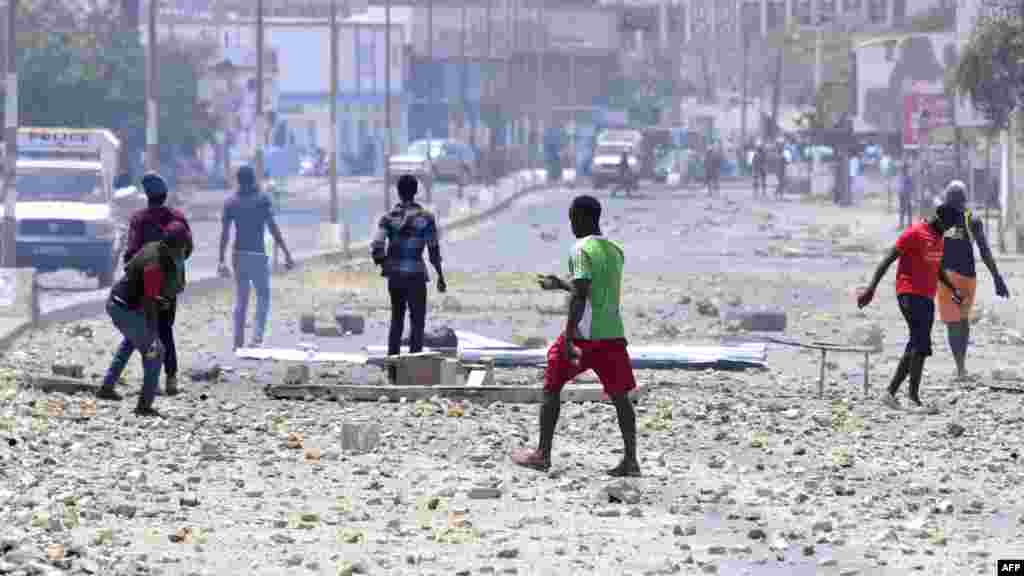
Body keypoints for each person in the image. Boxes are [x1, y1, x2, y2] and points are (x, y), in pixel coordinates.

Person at [512, 195, 640, 477]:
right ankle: (631, 460)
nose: (571, 224)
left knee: (552, 386)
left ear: (582, 217)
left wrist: (569, 339)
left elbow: (582, 295)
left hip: (584, 336)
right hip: (613, 334)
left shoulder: (580, 249)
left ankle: (542, 454)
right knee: (621, 397)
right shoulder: (615, 250)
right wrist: (561, 284)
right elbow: (593, 288)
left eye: (572, 218)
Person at [857, 202, 964, 412]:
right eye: (949, 224)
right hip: (909, 293)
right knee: (920, 343)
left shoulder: (939, 238)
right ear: (940, 219)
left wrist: (953, 289)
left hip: (926, 296)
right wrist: (871, 289)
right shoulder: (915, 233)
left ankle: (895, 394)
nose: (950, 229)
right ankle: (909, 397)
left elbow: (937, 268)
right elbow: (888, 259)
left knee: (917, 344)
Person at [97, 173, 194, 400]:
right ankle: (164, 383)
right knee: (161, 332)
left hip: (141, 287)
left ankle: (126, 384)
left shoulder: (139, 220)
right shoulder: (177, 219)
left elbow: (130, 254)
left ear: (147, 197)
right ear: (165, 195)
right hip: (162, 286)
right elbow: (188, 249)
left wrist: (135, 271)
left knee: (140, 334)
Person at [371, 175, 447, 383]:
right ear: (415, 191)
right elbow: (433, 250)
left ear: (398, 192)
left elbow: (377, 245)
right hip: (416, 275)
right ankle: (413, 369)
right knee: (417, 322)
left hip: (395, 276)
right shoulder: (426, 218)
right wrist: (440, 275)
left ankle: (393, 371)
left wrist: (384, 263)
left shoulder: (387, 218)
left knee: (396, 319)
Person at [938, 180, 1010, 380]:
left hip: (948, 279)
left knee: (953, 323)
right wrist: (997, 278)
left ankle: (960, 368)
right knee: (962, 320)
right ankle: (962, 368)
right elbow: (985, 251)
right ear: (965, 199)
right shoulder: (973, 220)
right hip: (968, 279)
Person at [218, 165, 295, 350]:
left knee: (241, 298)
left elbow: (225, 234)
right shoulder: (262, 199)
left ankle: (238, 342)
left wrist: (221, 259)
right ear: (253, 179)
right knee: (263, 295)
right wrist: (286, 253)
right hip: (258, 254)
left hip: (238, 255)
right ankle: (257, 338)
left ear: (238, 180)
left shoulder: (231, 202)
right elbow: (273, 228)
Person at [899, 162, 914, 229]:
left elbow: (910, 186)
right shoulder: (905, 176)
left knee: (906, 209)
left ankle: (908, 224)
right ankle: (905, 224)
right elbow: (910, 186)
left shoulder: (906, 176)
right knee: (905, 209)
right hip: (904, 194)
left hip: (905, 194)